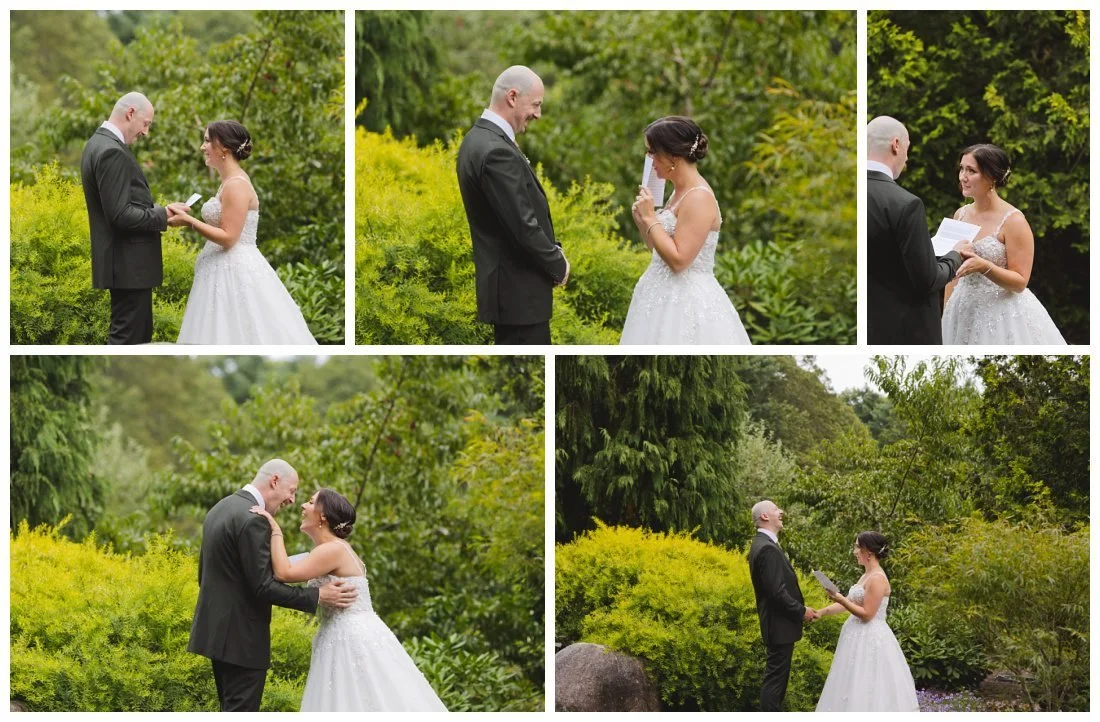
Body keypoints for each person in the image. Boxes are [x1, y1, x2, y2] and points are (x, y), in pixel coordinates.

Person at [249, 488, 448, 712]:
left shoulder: (332, 550)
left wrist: (275, 529)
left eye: (311, 502)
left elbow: (284, 573)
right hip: (342, 633)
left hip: (349, 638)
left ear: (323, 516)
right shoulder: (328, 550)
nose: (303, 506)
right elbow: (279, 569)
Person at [188, 460, 357, 712]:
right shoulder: (254, 518)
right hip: (242, 641)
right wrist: (317, 595)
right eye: (292, 490)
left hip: (215, 635)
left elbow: (206, 575)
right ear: (275, 481)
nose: (292, 500)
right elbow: (263, 587)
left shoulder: (220, 508)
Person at [171, 120, 317, 344]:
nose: (202, 147)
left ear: (224, 149)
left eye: (208, 141)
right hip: (218, 272)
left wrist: (189, 221)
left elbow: (229, 238)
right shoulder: (227, 182)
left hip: (235, 272)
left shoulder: (237, 185)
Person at [456, 65, 570, 345]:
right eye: (536, 104)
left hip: (513, 296)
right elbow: (522, 225)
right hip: (518, 298)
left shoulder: (477, 139)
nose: (538, 114)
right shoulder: (496, 151)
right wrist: (558, 264)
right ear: (512, 97)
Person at [621, 116, 751, 345]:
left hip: (684, 304)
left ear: (673, 157)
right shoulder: (677, 192)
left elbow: (680, 261)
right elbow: (657, 249)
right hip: (657, 294)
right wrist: (643, 222)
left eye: (652, 152)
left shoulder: (699, 197)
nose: (649, 160)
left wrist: (652, 217)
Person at [941, 144, 1066, 344]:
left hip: (1001, 313)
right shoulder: (960, 214)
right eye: (962, 169)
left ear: (991, 177)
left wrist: (985, 267)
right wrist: (946, 312)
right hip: (961, 310)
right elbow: (952, 272)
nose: (962, 176)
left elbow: (1020, 282)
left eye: (971, 171)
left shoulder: (1013, 221)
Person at [80, 92, 177, 344]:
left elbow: (123, 205)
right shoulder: (111, 151)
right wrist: (163, 215)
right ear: (131, 113)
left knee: (138, 341)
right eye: (146, 124)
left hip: (126, 268)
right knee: (127, 342)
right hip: (128, 268)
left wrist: (160, 211)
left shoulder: (97, 144)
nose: (145, 132)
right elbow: (120, 215)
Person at [866, 116, 964, 344]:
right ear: (896, 145)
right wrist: (955, 255)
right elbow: (927, 280)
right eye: (907, 149)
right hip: (903, 332)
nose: (907, 158)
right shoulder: (905, 204)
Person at [814, 532, 919, 711]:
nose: (854, 551)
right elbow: (850, 602)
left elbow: (867, 614)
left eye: (857, 547)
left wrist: (840, 599)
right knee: (849, 682)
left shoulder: (877, 578)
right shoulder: (866, 575)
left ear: (868, 552)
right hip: (854, 637)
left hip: (870, 638)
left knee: (867, 684)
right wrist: (821, 612)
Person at [747, 500, 817, 711]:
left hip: (778, 625)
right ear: (765, 517)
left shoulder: (764, 545)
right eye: (776, 509)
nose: (782, 512)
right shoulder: (767, 549)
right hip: (779, 626)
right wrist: (801, 611)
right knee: (775, 683)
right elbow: (776, 593)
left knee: (776, 681)